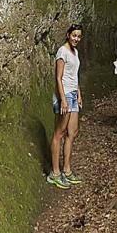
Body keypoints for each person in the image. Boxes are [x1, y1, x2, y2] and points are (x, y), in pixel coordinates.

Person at [47, 24, 84, 189]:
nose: (76, 38)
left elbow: (74, 76)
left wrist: (79, 94)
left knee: (72, 132)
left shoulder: (75, 53)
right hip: (64, 96)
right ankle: (54, 173)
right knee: (59, 133)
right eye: (74, 35)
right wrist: (63, 99)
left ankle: (67, 170)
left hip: (73, 95)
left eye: (79, 36)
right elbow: (59, 77)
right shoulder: (62, 51)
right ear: (68, 35)